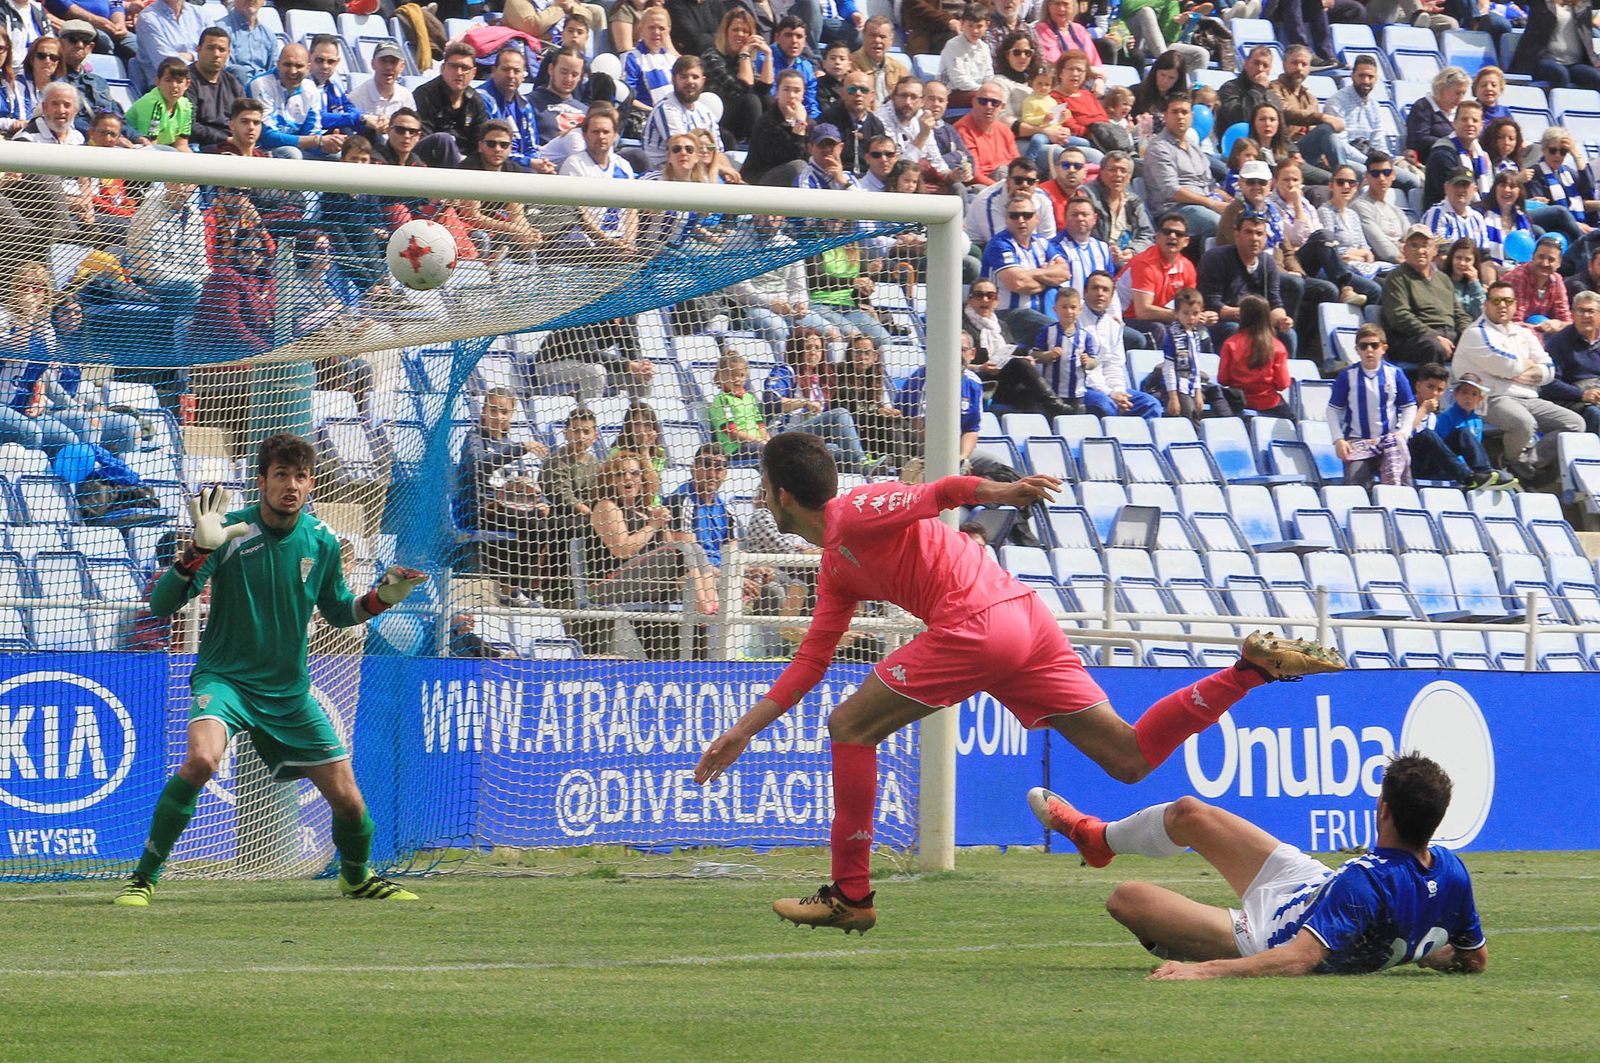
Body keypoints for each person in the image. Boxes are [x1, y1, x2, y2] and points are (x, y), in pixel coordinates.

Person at [692, 431, 1345, 932]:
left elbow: (939, 494)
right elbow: (811, 661)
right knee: (1129, 756)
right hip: (1023, 618)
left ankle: (850, 895)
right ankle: (1247, 672)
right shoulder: (838, 564)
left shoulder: (858, 509)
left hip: (978, 623)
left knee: (848, 725)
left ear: (781, 494)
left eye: (760, 488)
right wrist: (740, 733)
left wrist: (1005, 494)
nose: (758, 499)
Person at [114, 438, 429, 906]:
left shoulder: (322, 541)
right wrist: (198, 549)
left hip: (288, 692)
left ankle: (357, 878)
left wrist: (383, 598)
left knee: (350, 802)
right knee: (201, 761)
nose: (291, 485)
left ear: (311, 484)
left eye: (300, 476)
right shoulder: (228, 530)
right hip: (225, 680)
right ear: (261, 481)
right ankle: (143, 877)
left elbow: (340, 613)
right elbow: (162, 604)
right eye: (281, 474)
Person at [1029, 752, 1486, 978]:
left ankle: (1193, 947)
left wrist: (1203, 971)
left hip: (1265, 934)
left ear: (1382, 809)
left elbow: (1298, 958)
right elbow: (1474, 959)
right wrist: (1417, 952)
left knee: (1127, 898)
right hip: (1311, 885)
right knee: (1190, 813)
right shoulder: (1450, 869)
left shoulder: (1365, 879)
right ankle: (1097, 839)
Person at [1453, 280, 1586, 482]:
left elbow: (1548, 370)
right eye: (1496, 300)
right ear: (1486, 304)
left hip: (1528, 397)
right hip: (1490, 397)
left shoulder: (1523, 333)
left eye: (1507, 300)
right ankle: (1510, 461)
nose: (1502, 305)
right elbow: (1507, 366)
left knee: (1575, 424)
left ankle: (1522, 462)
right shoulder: (1476, 333)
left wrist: (1519, 370)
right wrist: (1527, 367)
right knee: (1524, 423)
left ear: (1515, 304)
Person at [584, 451, 719, 614]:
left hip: (646, 580)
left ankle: (712, 605)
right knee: (686, 548)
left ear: (643, 479)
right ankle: (704, 609)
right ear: (610, 480)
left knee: (694, 548)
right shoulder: (606, 506)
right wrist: (653, 526)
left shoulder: (645, 511)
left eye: (634, 473)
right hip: (608, 585)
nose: (628, 478)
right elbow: (621, 550)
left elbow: (671, 547)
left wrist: (663, 524)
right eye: (620, 474)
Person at [1326, 323, 1418, 486]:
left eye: (1374, 345)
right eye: (1364, 346)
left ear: (1384, 348)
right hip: (1358, 443)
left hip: (1389, 441)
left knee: (1403, 488)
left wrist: (1403, 433)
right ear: (1357, 349)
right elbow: (1333, 410)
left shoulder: (1395, 374)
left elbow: (1409, 406)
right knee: (1354, 488)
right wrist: (1338, 440)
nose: (1369, 350)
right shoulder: (1347, 376)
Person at [1198, 211, 1297, 355]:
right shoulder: (1215, 258)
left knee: (1288, 334)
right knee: (1233, 329)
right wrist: (1246, 314)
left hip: (1255, 321)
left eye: (1259, 233)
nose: (1254, 238)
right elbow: (1212, 302)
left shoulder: (1268, 262)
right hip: (1221, 321)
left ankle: (1284, 376)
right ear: (1237, 235)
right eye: (1248, 232)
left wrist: (1282, 319)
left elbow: (1275, 302)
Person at [1143, 92, 1229, 256]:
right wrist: (1211, 203)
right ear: (1165, 116)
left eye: (1184, 112)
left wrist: (1230, 200)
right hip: (1173, 209)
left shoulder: (1194, 148)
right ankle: (1212, 274)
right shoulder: (1159, 148)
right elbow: (1172, 191)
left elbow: (1210, 184)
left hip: (1202, 203)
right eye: (1175, 112)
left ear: (1191, 116)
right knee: (1216, 223)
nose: (1180, 117)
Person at [982, 193, 1071, 342]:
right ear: (1006, 219)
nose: (1021, 220)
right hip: (1010, 314)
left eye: (1027, 215)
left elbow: (1065, 272)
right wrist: (1048, 276)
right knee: (1059, 332)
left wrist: (1032, 274)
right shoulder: (1000, 244)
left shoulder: (1041, 242)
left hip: (1040, 313)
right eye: (1014, 216)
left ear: (1036, 218)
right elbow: (1017, 283)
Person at [1410, 365, 1517, 489]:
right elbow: (1400, 436)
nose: (1434, 393)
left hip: (1435, 465)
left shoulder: (1433, 416)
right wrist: (1422, 410)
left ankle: (1484, 472)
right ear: (1418, 386)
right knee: (1427, 434)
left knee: (1462, 433)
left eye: (1439, 390)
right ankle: (1468, 477)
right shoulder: (1405, 406)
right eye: (1430, 387)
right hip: (1410, 464)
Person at [1380, 225, 1472, 368]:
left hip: (1448, 334)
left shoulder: (1443, 279)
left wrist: (1468, 335)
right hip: (1413, 338)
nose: (1420, 251)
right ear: (1404, 250)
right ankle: (1429, 389)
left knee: (1477, 345)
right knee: (1434, 346)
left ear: (1434, 250)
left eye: (1426, 245)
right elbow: (1400, 316)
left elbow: (1459, 314)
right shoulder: (1397, 278)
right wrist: (1434, 335)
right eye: (1414, 246)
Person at [1081, 269, 1163, 418]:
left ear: (1112, 296)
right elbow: (1085, 368)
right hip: (1083, 387)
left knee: (1151, 404)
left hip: (1109, 389)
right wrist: (1110, 393)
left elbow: (1114, 365)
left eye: (1105, 290)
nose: (1100, 293)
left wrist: (1119, 391)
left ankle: (1138, 441)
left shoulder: (1114, 326)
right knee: (1105, 405)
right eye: (1095, 288)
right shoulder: (1075, 322)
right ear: (1085, 293)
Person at [1118, 211, 1201, 350]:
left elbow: (1190, 304)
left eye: (1178, 234)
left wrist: (1199, 314)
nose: (1172, 236)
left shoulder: (1187, 267)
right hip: (1123, 318)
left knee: (1200, 331)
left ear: (1186, 241)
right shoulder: (1145, 264)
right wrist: (1182, 315)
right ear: (1157, 237)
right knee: (1157, 330)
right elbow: (1143, 312)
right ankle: (1158, 371)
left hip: (1159, 316)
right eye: (1167, 232)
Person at [414, 40, 487, 165]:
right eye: (454, 66)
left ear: (473, 73)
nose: (459, 73)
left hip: (466, 162)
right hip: (429, 159)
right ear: (443, 68)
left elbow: (480, 140)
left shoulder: (476, 101)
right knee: (444, 139)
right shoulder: (424, 95)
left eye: (465, 68)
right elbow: (422, 138)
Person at [1218, 293, 1292, 417]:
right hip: (1269, 404)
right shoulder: (1277, 347)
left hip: (1238, 404)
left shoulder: (1230, 343)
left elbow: (1223, 379)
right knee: (1293, 424)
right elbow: (1283, 384)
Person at [1082, 150, 1153, 271]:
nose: (1118, 174)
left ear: (1130, 176)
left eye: (1123, 171)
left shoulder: (1133, 201)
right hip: (1095, 256)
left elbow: (1148, 234)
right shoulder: (1086, 195)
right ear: (1101, 171)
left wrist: (1132, 251)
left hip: (1127, 257)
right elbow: (1082, 229)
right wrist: (1105, 249)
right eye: (1112, 170)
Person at [1543, 290, 1600, 434]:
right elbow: (1550, 383)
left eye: (1590, 311)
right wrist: (1582, 394)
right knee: (1595, 415)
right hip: (1575, 398)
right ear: (1573, 314)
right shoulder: (1559, 342)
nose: (1586, 316)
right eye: (1581, 311)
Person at [1510, 0, 1600, 90]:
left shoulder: (1584, 6)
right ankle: (1558, 103)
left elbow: (1586, 36)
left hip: (1574, 62)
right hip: (1544, 60)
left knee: (1596, 77)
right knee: (1560, 73)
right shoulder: (1542, 4)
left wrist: (1594, 60)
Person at [1423, 100, 1490, 210]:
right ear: (1453, 123)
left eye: (1475, 120)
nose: (1470, 124)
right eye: (1464, 119)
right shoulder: (1442, 154)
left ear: (1482, 126)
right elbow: (1455, 196)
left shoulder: (1482, 156)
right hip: (1444, 215)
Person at [954, 80, 1019, 186]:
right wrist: (1001, 190)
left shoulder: (1005, 130)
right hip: (981, 186)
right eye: (983, 101)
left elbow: (1018, 164)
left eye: (995, 103)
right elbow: (974, 174)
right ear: (974, 102)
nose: (989, 106)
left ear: (1002, 107)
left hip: (1008, 183)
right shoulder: (962, 130)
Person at [134, 0, 207, 94]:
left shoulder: (200, 14)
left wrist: (192, 56)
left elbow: (218, 50)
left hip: (203, 80)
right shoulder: (148, 18)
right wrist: (201, 57)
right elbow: (167, 63)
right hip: (168, 88)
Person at [1353, 152, 1411, 266]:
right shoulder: (1360, 206)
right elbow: (1383, 248)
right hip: (1387, 267)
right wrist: (1409, 263)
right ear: (1367, 176)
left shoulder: (1395, 210)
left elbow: (1411, 238)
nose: (1381, 178)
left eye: (1386, 172)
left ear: (1393, 175)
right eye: (1375, 173)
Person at [1505, 234, 1572, 333]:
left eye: (1551, 259)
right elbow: (1514, 323)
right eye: (1541, 257)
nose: (1545, 263)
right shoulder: (1518, 277)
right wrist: (1541, 328)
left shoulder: (1556, 279)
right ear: (1532, 256)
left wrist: (1559, 324)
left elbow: (1566, 320)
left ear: (1559, 263)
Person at [126, 56, 193, 151]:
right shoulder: (153, 104)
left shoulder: (186, 106)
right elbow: (150, 146)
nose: (174, 86)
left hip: (161, 149)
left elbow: (181, 145)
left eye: (179, 81)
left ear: (187, 84)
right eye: (168, 80)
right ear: (157, 81)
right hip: (134, 148)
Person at [1216, 46, 1285, 137]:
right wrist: (1258, 89)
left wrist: (1292, 150)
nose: (1260, 69)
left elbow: (1282, 130)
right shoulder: (1230, 88)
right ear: (1246, 64)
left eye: (1265, 65)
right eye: (1256, 63)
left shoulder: (1271, 95)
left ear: (1270, 69)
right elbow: (1240, 118)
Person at [1406, 66, 1471, 160]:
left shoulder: (1459, 111)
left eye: (1463, 94)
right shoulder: (1423, 107)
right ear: (1441, 89)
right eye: (1457, 93)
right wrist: (1453, 143)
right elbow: (1419, 140)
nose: (1460, 99)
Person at [939, 4, 993, 108]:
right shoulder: (953, 45)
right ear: (962, 24)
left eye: (979, 26)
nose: (975, 31)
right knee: (986, 99)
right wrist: (983, 90)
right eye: (970, 26)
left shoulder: (985, 48)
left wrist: (986, 89)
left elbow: (988, 75)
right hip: (953, 93)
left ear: (987, 25)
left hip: (977, 91)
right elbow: (958, 80)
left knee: (997, 96)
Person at [220, 0, 279, 86]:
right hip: (235, 89)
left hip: (264, 90)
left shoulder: (268, 34)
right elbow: (225, 68)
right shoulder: (222, 30)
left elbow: (273, 69)